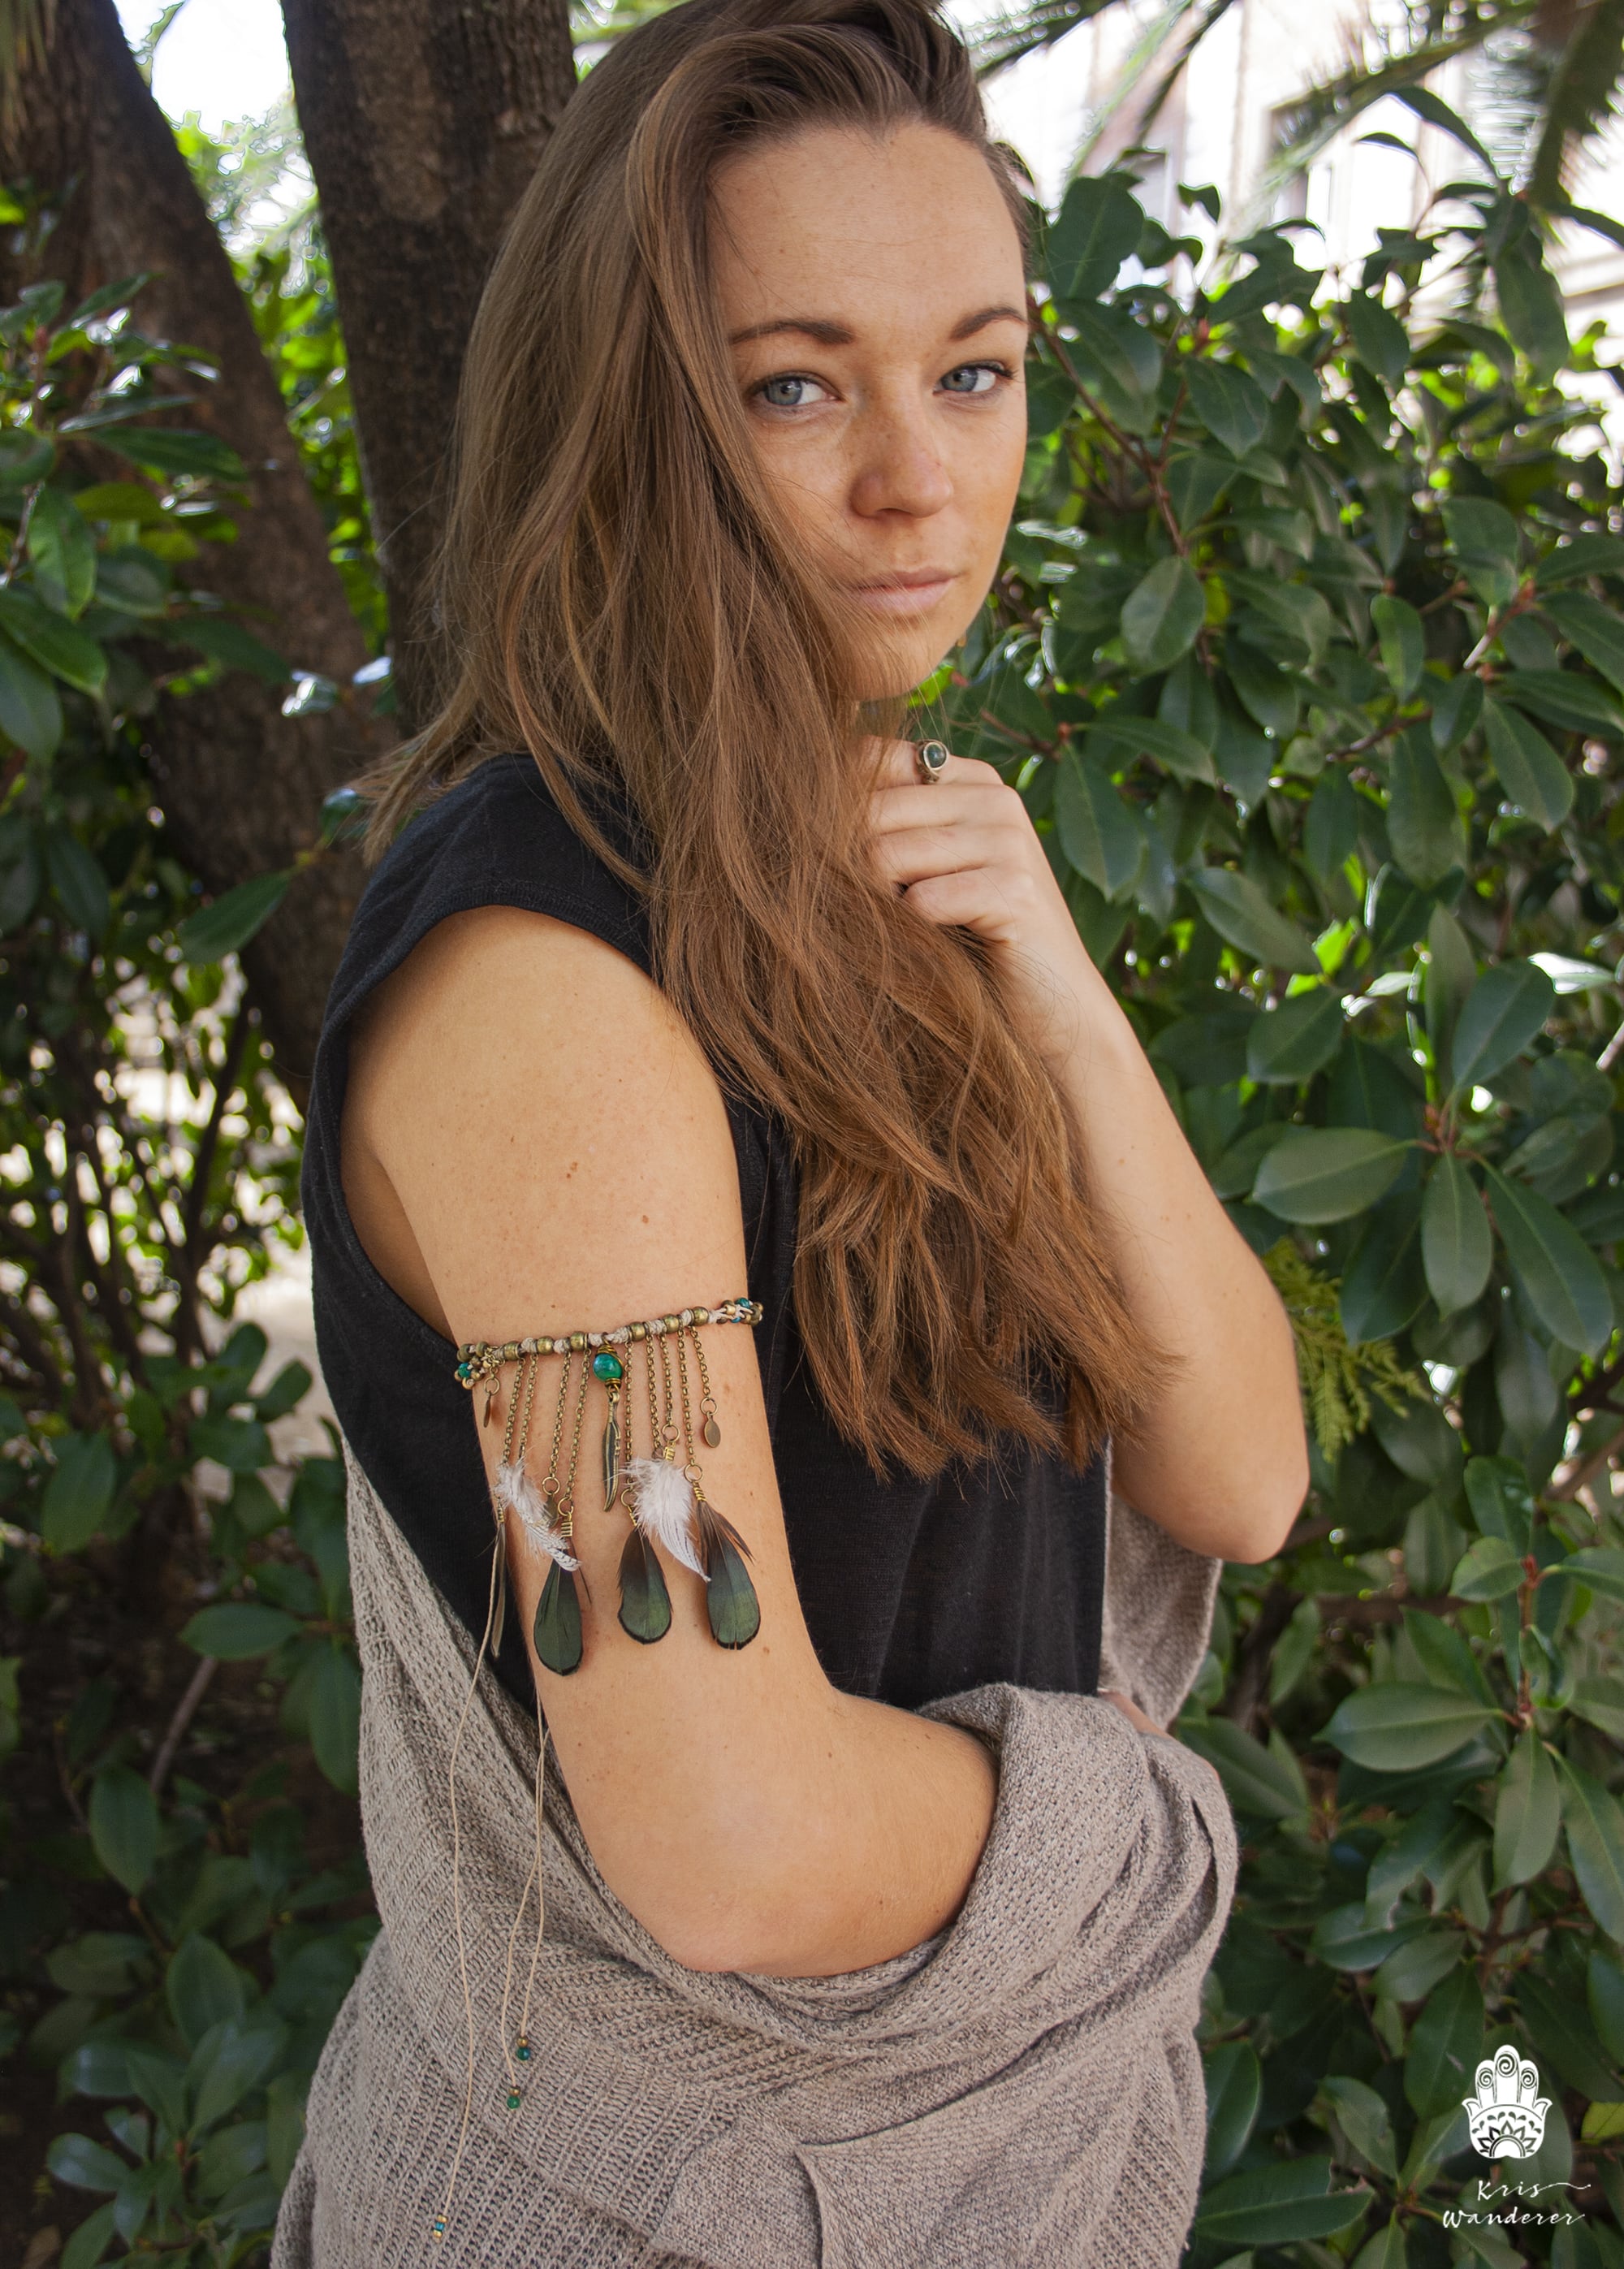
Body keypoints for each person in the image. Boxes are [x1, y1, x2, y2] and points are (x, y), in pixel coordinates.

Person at [274, 2, 1308, 2261]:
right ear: (635, 414)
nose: (917, 480)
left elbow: (1236, 1469)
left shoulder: (896, 856)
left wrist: (1056, 990)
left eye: (974, 367)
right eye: (795, 382)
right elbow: (726, 1832)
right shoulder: (540, 983)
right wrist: (1132, 1817)